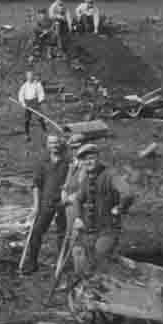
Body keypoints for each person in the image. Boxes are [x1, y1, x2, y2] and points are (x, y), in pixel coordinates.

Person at [64, 143, 134, 276]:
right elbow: (78, 199)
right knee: (84, 260)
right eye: (85, 160)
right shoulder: (87, 178)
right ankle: (87, 289)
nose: (88, 162)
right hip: (89, 229)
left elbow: (128, 193)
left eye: (91, 158)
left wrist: (119, 208)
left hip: (108, 229)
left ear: (98, 157)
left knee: (100, 257)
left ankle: (106, 287)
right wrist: (78, 218)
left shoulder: (110, 175)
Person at [20, 135, 69, 274]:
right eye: (51, 143)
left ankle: (61, 266)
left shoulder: (69, 163)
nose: (54, 145)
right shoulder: (43, 163)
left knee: (62, 234)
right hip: (45, 203)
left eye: (57, 142)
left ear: (61, 144)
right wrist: (36, 206)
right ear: (47, 145)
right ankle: (32, 263)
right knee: (36, 232)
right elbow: (36, 185)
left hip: (63, 204)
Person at [17, 70, 47, 142]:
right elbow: (20, 95)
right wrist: (23, 103)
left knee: (40, 117)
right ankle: (27, 135)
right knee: (27, 120)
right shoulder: (24, 86)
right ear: (26, 77)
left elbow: (41, 93)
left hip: (35, 102)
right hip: (28, 103)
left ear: (33, 76)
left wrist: (40, 100)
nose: (30, 77)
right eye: (28, 76)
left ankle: (45, 132)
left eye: (31, 76)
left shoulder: (37, 84)